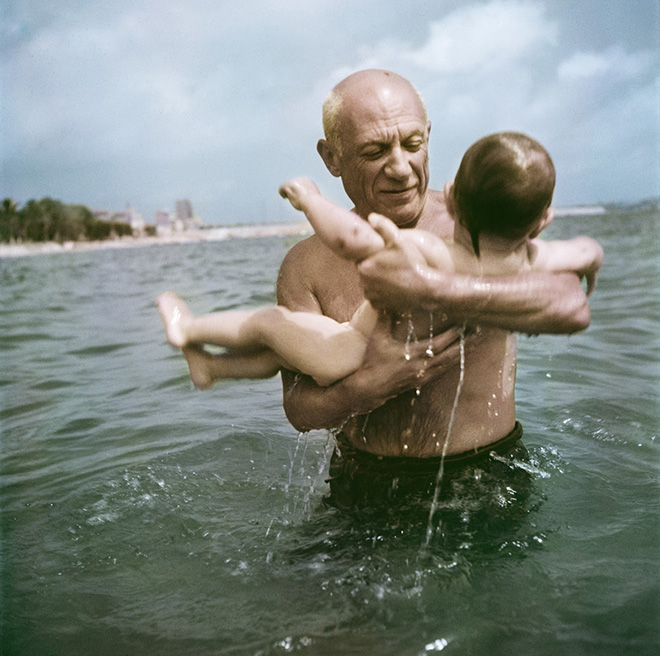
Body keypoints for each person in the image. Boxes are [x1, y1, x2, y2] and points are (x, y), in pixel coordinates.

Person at [272, 70, 600, 507]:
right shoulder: (306, 264)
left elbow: (570, 306)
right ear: (332, 158)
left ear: (428, 136)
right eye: (375, 151)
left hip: (487, 472)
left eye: (412, 145)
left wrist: (435, 289)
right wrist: (370, 385)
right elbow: (298, 408)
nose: (400, 167)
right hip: (363, 479)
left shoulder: (480, 221)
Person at [156, 133, 601, 405]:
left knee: (273, 323)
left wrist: (312, 200)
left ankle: (191, 328)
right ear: (543, 221)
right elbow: (580, 251)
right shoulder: (532, 259)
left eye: (412, 144)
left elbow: (353, 240)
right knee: (278, 351)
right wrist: (592, 254)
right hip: (352, 368)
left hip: (348, 351)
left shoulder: (431, 251)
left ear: (454, 195)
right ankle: (212, 369)